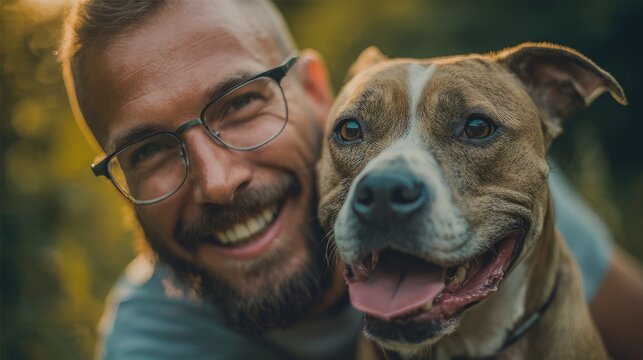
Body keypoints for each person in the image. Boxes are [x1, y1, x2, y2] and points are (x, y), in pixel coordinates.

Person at [58, 0, 643, 359]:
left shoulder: (492, 184)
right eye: (150, 149)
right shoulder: (156, 346)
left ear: (316, 92)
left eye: (240, 102)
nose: (217, 181)